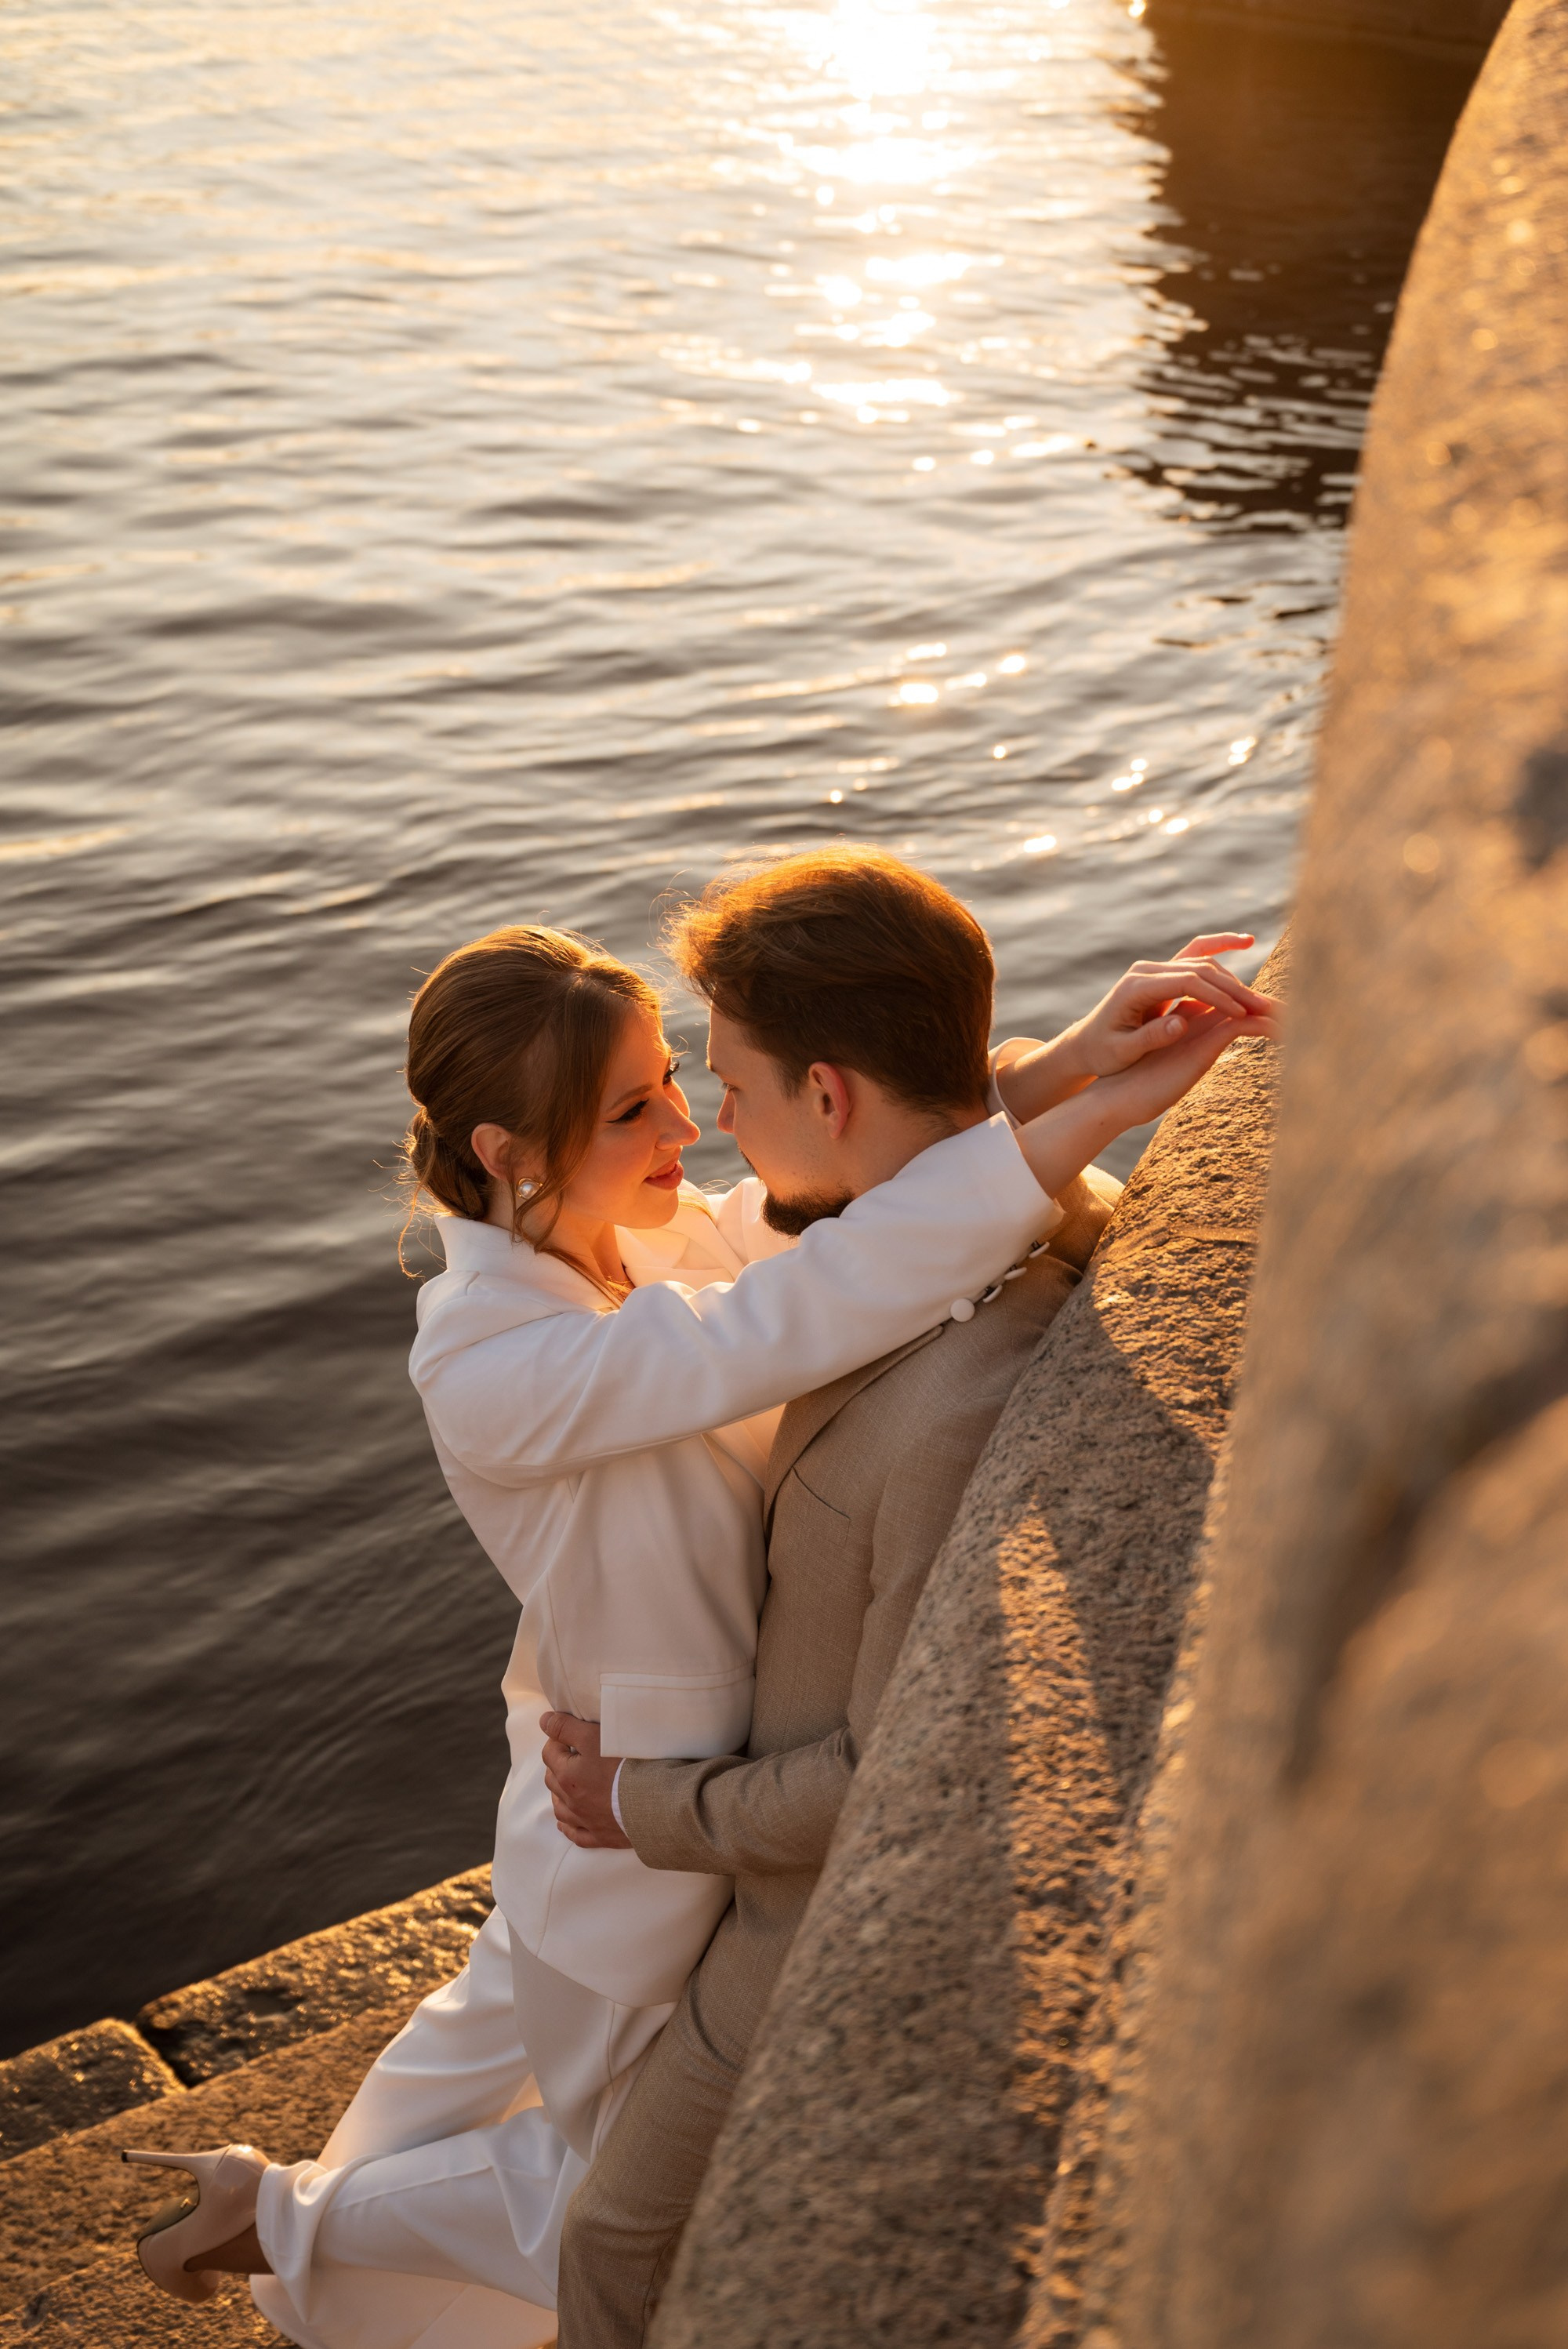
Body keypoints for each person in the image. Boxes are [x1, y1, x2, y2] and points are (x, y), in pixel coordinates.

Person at [122, 851, 1276, 2349]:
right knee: (604, 2179)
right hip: (628, 1821)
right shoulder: (488, 1363)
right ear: (510, 1151)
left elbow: (838, 1206)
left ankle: (276, 2213)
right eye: (633, 1109)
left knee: (465, 2063)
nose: (684, 1123)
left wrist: (1061, 1069)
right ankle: (270, 2215)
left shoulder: (636, 1238)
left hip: (604, 1766)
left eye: (673, 1075)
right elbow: (805, 1304)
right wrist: (1107, 1112)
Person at [539, 869, 1258, 2347]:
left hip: (790, 1918)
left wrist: (644, 1802)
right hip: (739, 1847)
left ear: (825, 1090)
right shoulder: (965, 1218)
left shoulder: (943, 1414)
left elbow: (887, 1778)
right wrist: (1068, 1069)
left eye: (733, 1086)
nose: (720, 1124)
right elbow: (944, 1142)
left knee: (613, 2241)